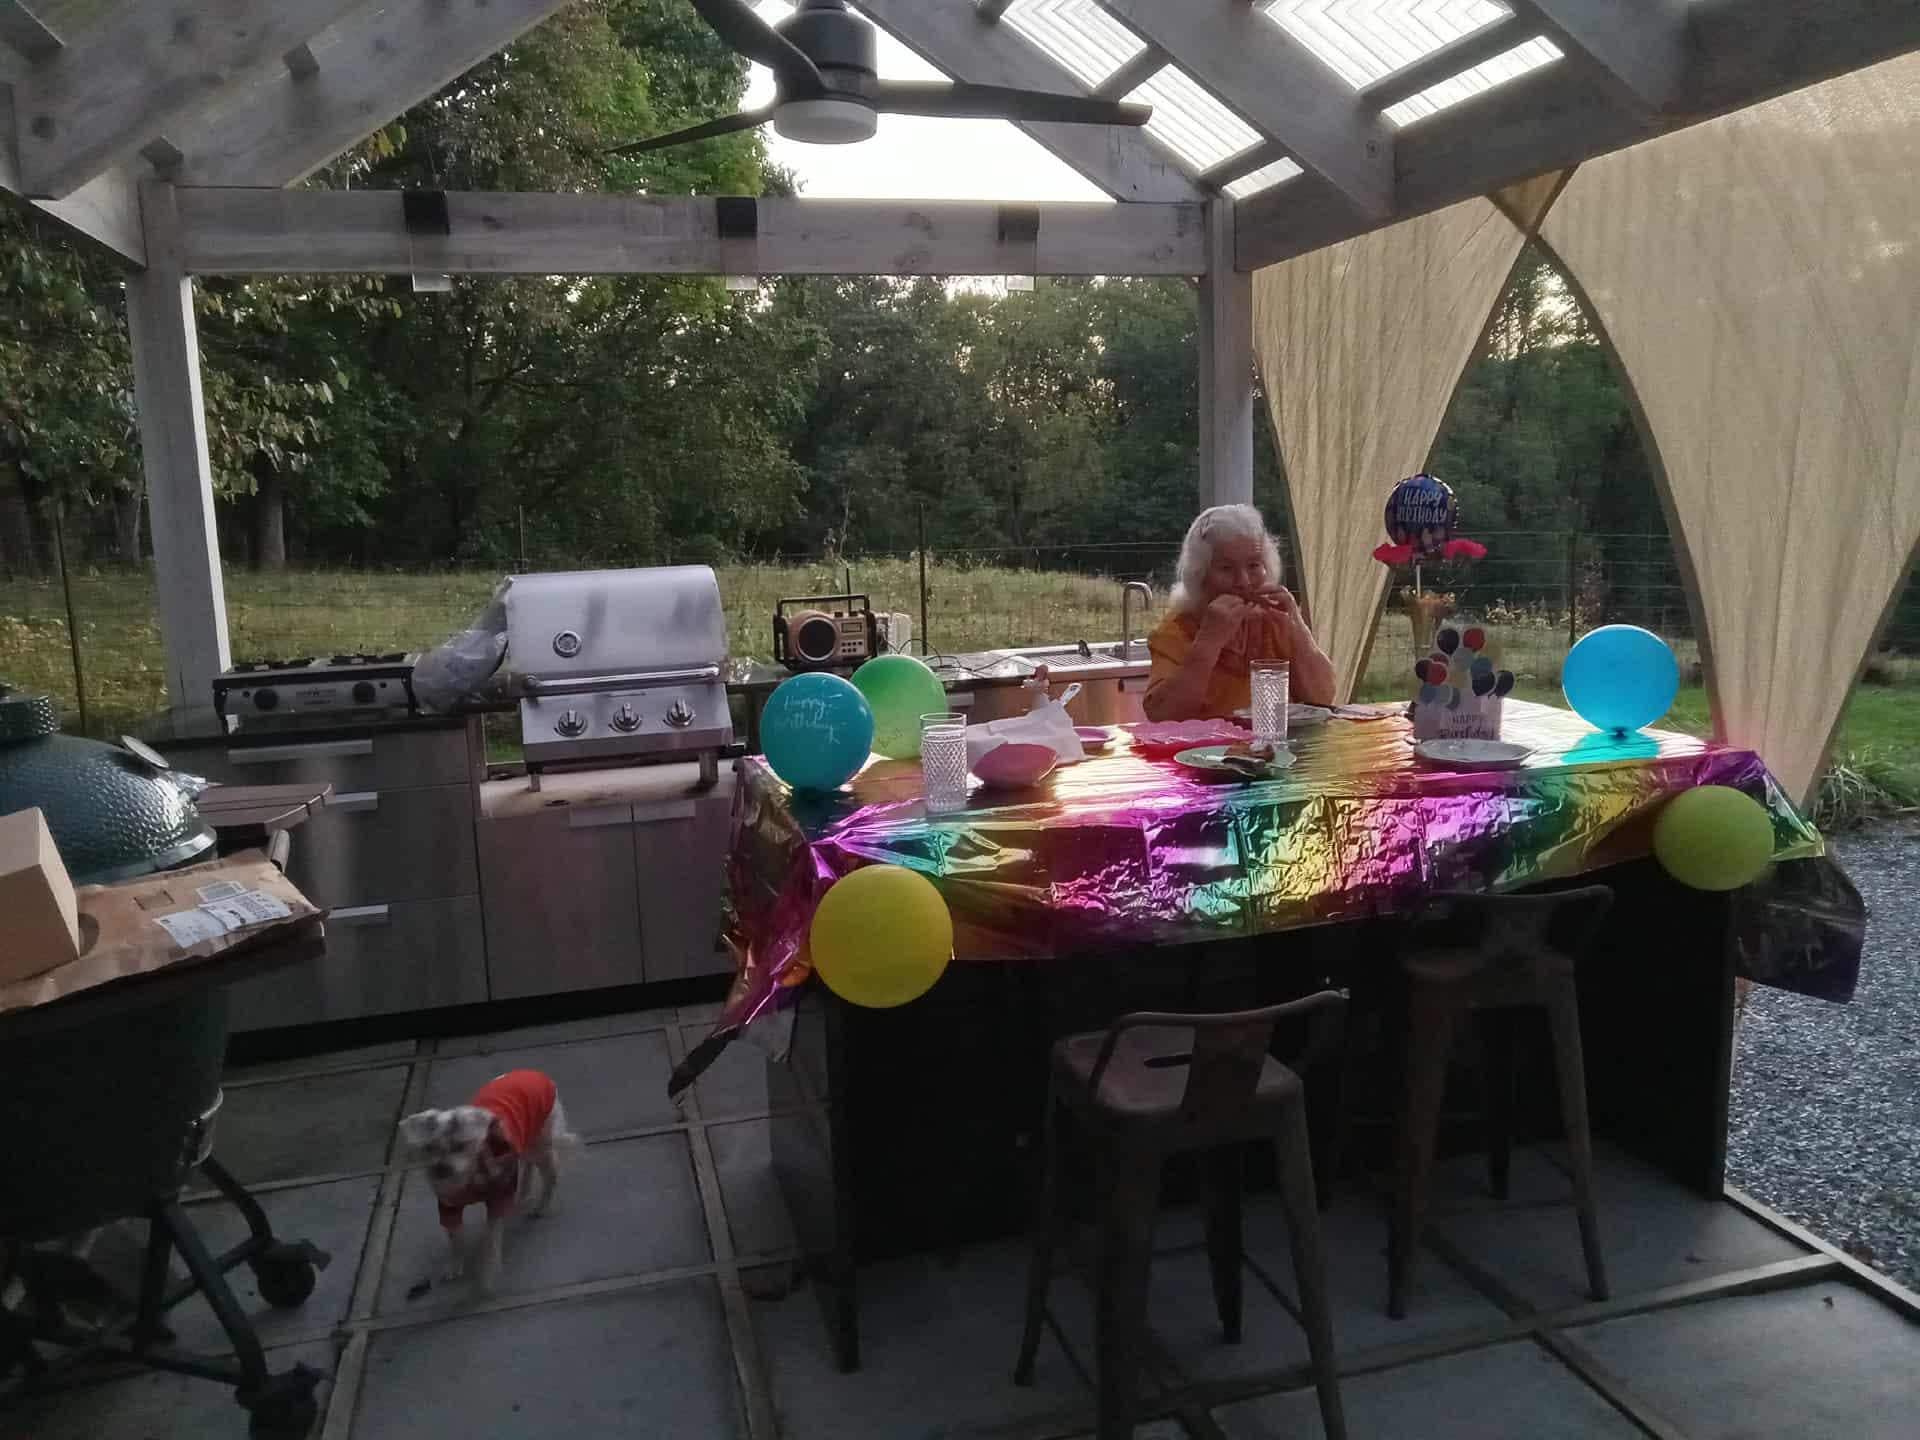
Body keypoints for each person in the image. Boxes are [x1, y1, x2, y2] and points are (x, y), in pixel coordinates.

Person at [1142, 504, 1336, 721]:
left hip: (1277, 742)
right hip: (1208, 744)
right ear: (1200, 575)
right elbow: (1162, 716)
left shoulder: (1276, 620)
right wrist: (1209, 642)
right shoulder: (1178, 630)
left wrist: (1297, 626)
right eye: (1226, 568)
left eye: (1253, 565)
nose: (1243, 582)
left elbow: (1323, 698)